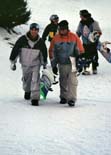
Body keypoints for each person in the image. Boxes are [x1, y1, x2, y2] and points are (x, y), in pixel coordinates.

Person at [9, 23, 47, 106]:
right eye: (32, 30)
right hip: (25, 64)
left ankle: (35, 98)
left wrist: (44, 63)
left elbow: (44, 53)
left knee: (35, 80)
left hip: (36, 64)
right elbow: (15, 50)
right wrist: (13, 62)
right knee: (27, 80)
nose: (34, 32)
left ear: (38, 31)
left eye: (36, 30)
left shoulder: (40, 42)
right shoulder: (22, 40)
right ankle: (27, 91)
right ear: (30, 30)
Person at [49, 20, 84, 107]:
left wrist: (80, 63)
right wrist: (54, 65)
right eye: (61, 29)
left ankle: (71, 99)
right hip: (62, 62)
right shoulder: (55, 38)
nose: (62, 31)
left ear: (67, 28)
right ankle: (63, 97)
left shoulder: (74, 37)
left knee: (72, 81)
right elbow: (52, 52)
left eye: (64, 29)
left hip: (72, 61)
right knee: (63, 80)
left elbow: (80, 50)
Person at [76, 9, 102, 75]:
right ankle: (86, 69)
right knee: (85, 56)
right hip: (85, 43)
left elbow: (98, 32)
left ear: (84, 15)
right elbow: (78, 32)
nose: (80, 17)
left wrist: (95, 36)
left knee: (93, 55)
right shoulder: (81, 23)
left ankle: (94, 67)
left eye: (81, 15)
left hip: (93, 43)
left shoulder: (94, 23)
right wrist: (76, 39)